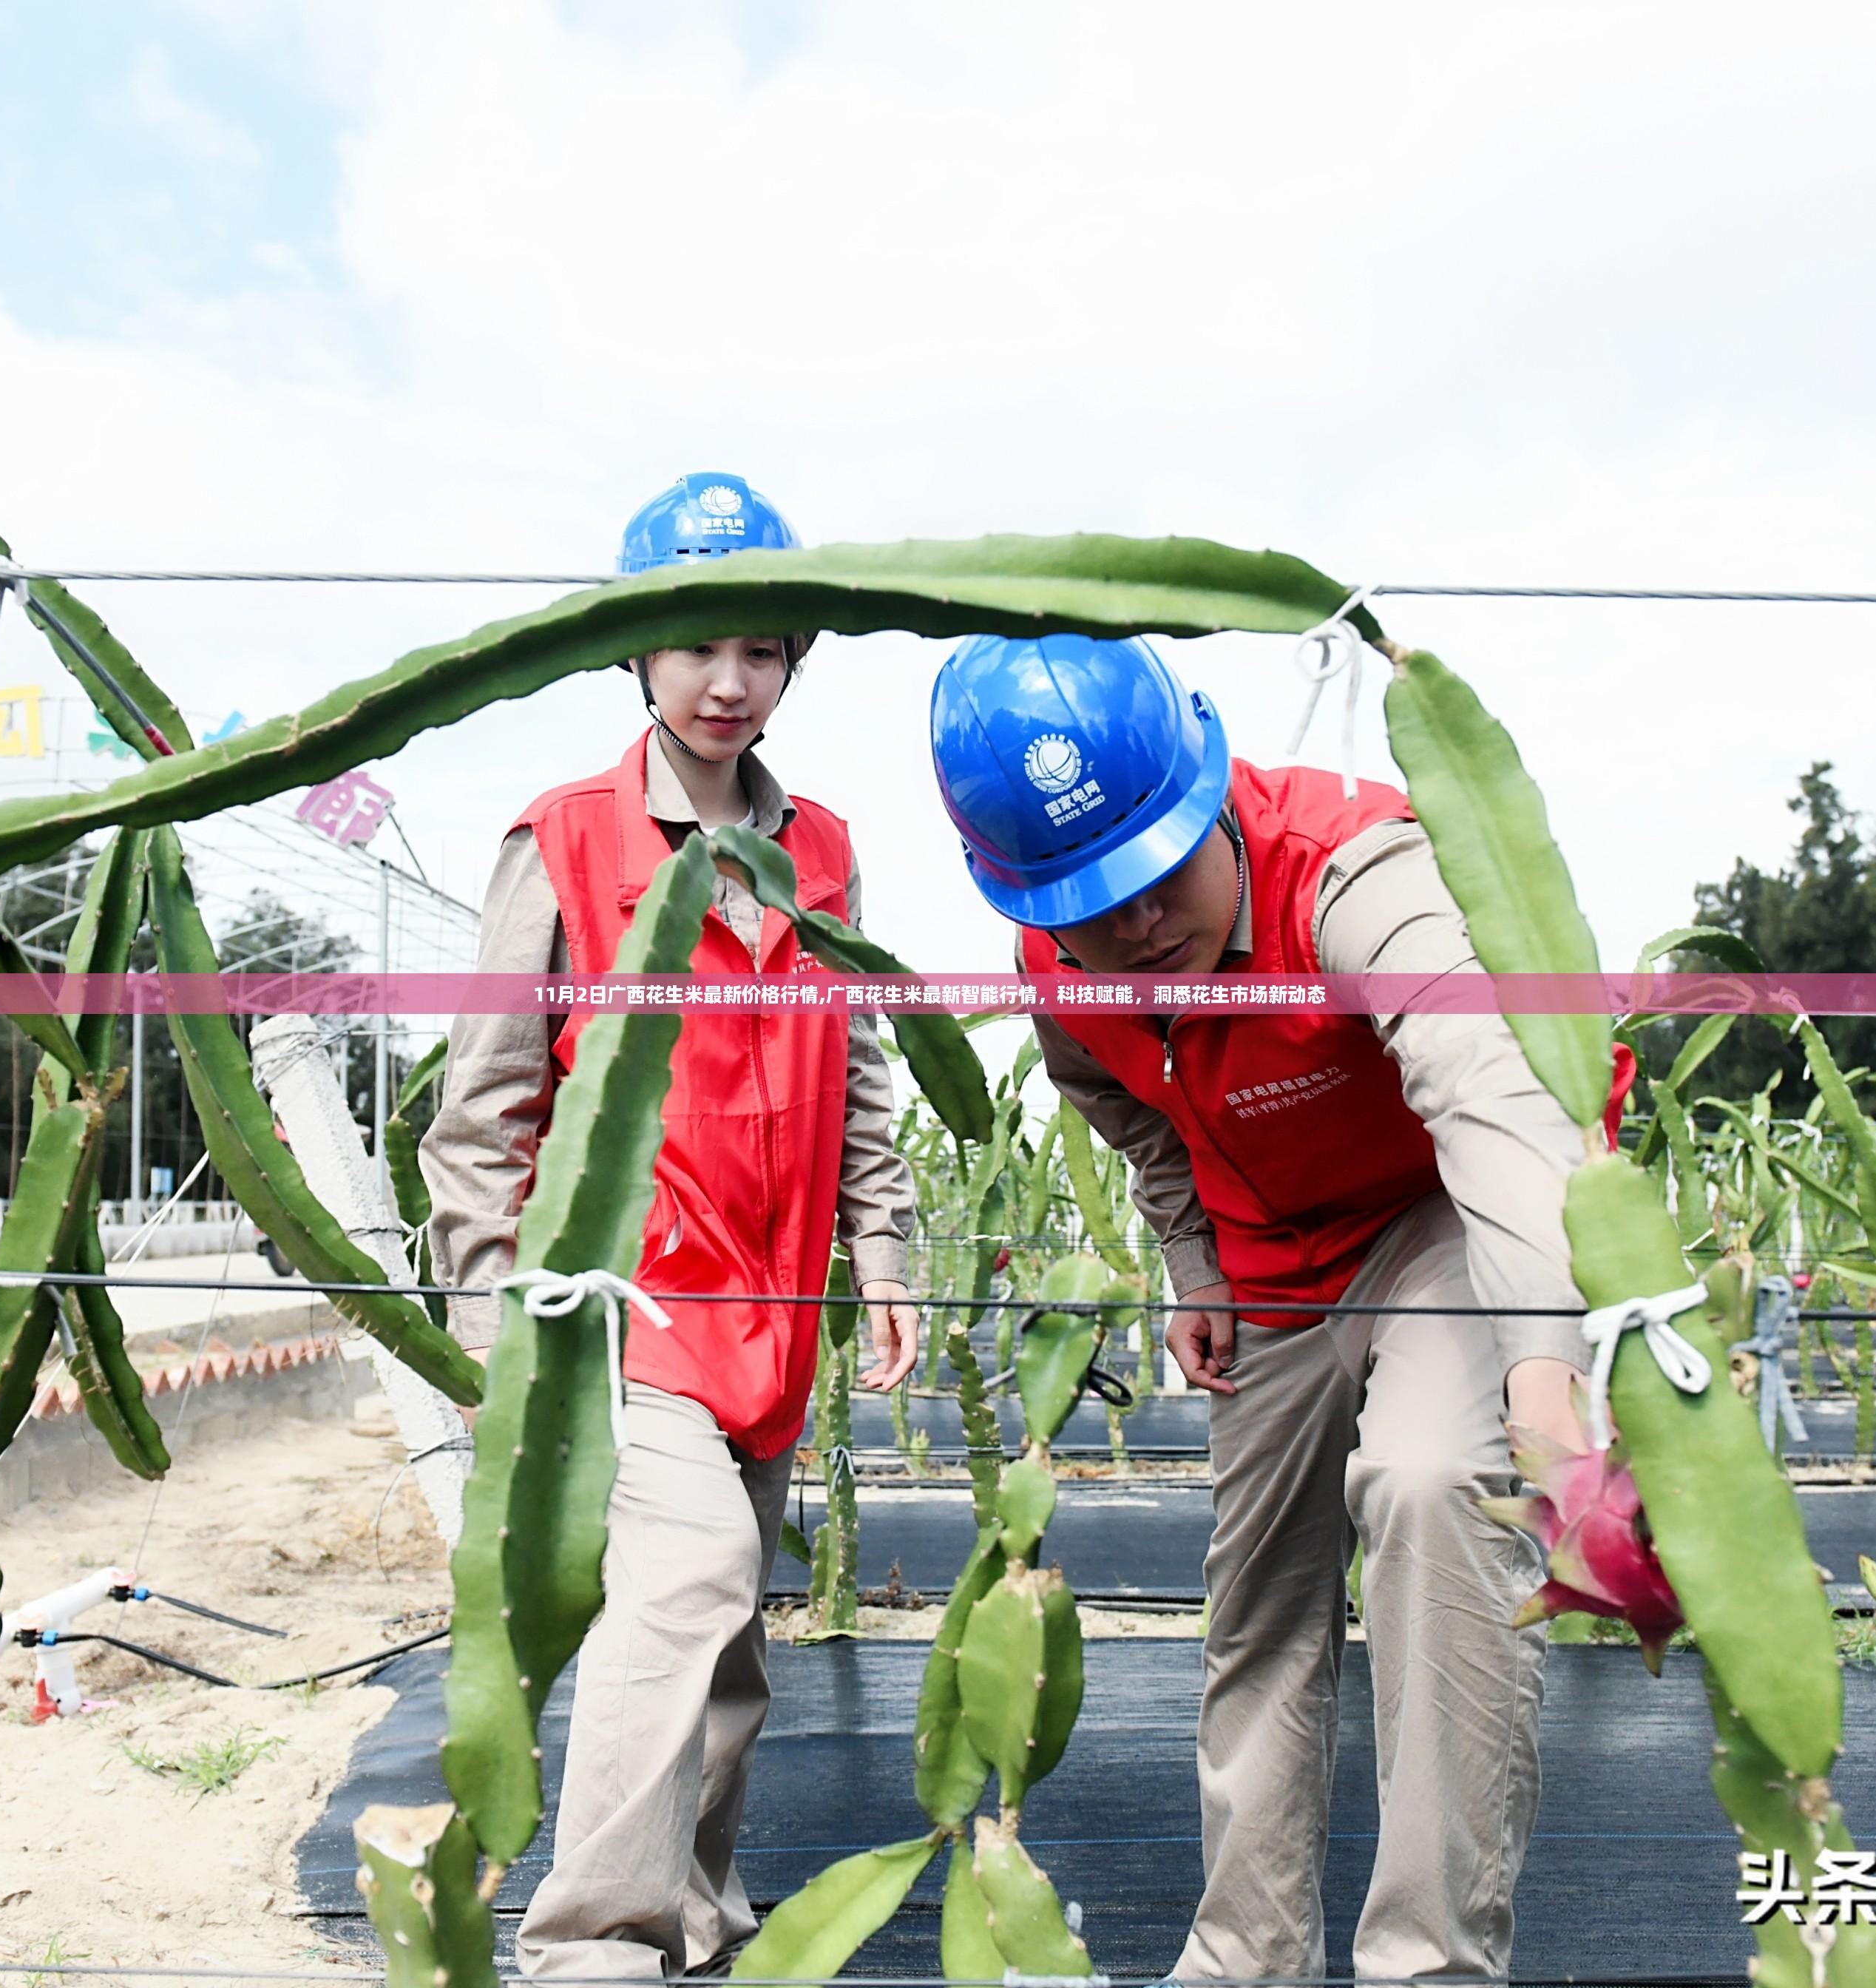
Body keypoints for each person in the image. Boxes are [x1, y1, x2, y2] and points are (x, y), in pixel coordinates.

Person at [925, 632, 1629, 1982]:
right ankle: (1246, 1951)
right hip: (1270, 1262)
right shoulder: (1063, 971)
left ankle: (1430, 1959)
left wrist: (1544, 1372)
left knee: (1431, 1487)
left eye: (1155, 871)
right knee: (1258, 1605)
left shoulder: (1363, 876)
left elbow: (1493, 1090)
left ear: (1211, 794)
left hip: (1441, 1221)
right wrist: (1196, 1267)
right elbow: (1127, 1112)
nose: (1133, 929)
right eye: (1089, 903)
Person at [421, 472, 923, 1980]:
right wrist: (496, 1321)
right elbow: (484, 1106)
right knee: (694, 1568)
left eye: (763, 650)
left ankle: (697, 1903)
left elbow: (865, 1067)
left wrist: (882, 1249)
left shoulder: (822, 848)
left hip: (772, 1309)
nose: (727, 680)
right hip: (620, 1311)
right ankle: (593, 1938)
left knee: (728, 1639)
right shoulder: (562, 840)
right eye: (697, 644)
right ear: (634, 652)